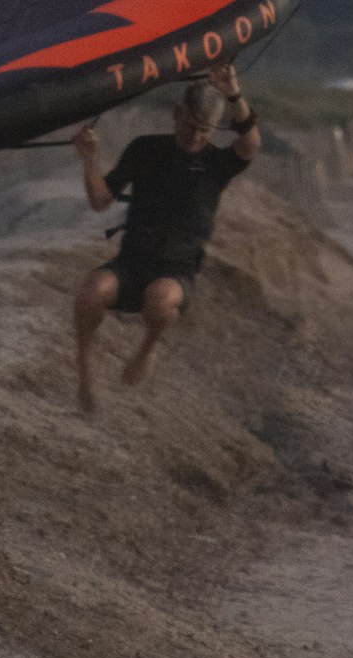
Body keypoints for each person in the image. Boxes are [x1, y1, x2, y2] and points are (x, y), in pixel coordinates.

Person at [71, 62, 260, 414]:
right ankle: (85, 374)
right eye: (190, 125)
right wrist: (89, 159)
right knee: (89, 293)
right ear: (176, 115)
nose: (196, 135)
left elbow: (250, 142)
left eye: (205, 130)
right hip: (132, 261)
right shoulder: (145, 149)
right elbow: (100, 201)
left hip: (177, 269)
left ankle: (146, 350)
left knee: (159, 300)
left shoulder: (217, 163)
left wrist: (234, 93)